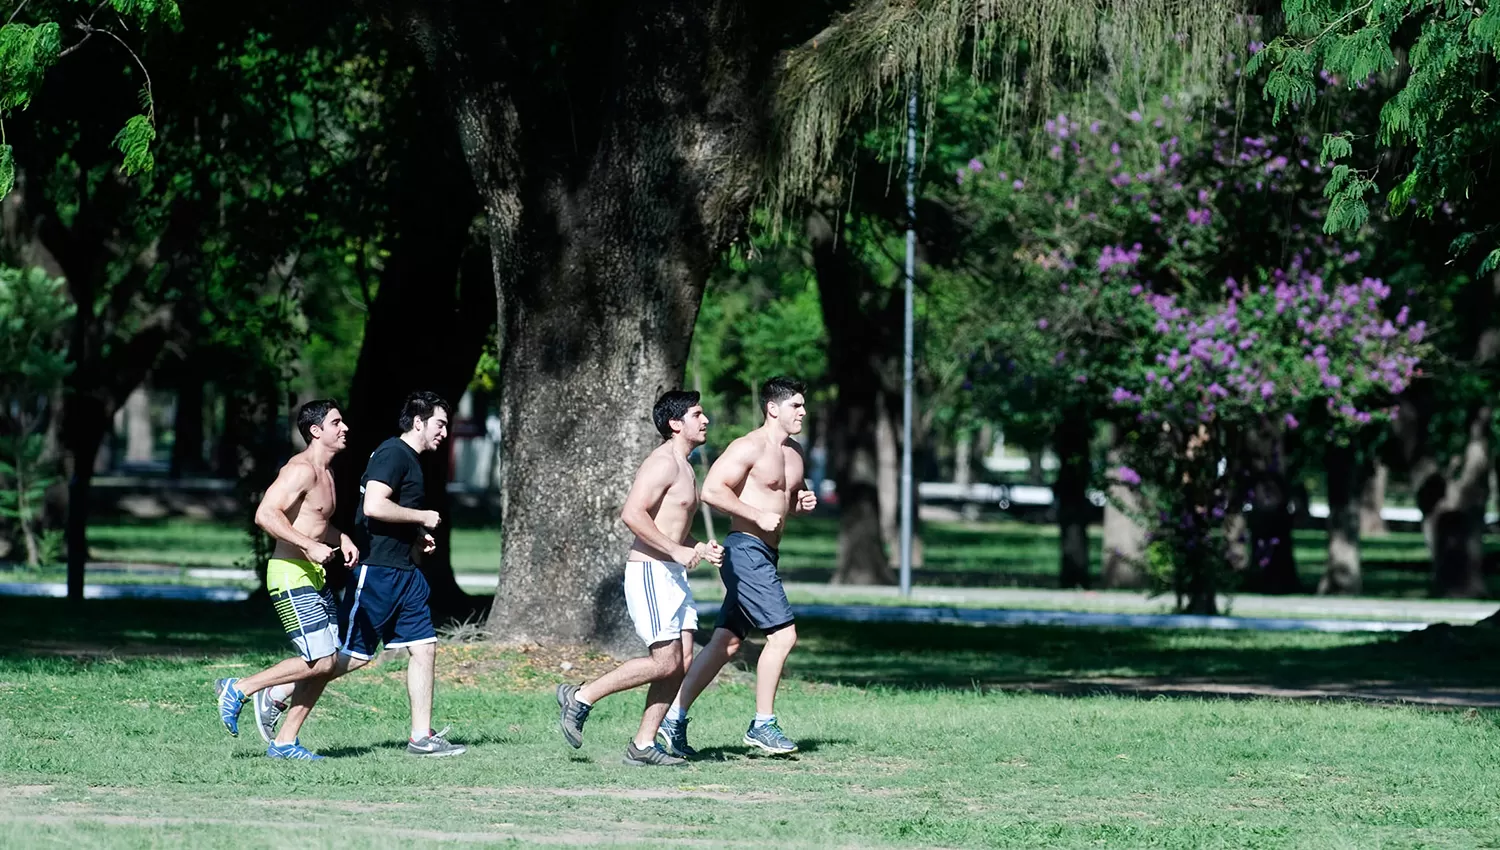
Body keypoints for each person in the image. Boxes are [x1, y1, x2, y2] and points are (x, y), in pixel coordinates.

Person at [555, 391, 722, 766]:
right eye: (697, 414)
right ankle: (580, 696)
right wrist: (677, 551)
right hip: (650, 570)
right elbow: (632, 513)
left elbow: (672, 527)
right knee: (664, 662)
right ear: (676, 423)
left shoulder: (686, 465)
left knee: (682, 662)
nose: (705, 419)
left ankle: (644, 745)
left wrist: (697, 548)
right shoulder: (662, 462)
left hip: (672, 573)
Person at [657, 376, 816, 757]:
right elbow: (713, 491)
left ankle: (672, 720)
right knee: (783, 636)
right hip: (745, 551)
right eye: (796, 405)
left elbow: (786, 500)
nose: (803, 412)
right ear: (773, 408)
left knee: (725, 644)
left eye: (803, 405)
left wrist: (800, 504)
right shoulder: (748, 446)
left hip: (766, 554)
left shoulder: (795, 453)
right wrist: (756, 515)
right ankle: (763, 724)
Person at [214, 399, 360, 760]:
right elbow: (265, 514)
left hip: (313, 574)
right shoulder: (301, 469)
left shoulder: (327, 472)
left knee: (325, 664)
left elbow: (313, 520)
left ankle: (285, 743)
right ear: (316, 431)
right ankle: (241, 687)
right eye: (337, 423)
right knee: (322, 661)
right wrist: (309, 545)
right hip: (290, 574)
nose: (345, 429)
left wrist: (339, 537)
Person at [336, 390, 467, 756]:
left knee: (424, 648)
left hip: (404, 571)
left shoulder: (409, 458)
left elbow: (392, 511)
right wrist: (423, 517)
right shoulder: (394, 453)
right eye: (440, 424)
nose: (444, 432)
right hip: (378, 570)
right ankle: (276, 692)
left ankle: (421, 737)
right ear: (419, 422)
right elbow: (374, 505)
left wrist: (416, 535)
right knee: (353, 656)